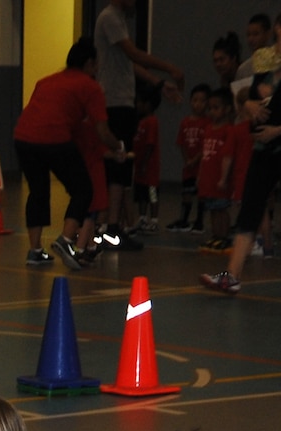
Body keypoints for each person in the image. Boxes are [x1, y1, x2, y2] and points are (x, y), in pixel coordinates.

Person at [200, 7, 281, 297]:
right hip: (263, 147)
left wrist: (278, 130)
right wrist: (249, 106)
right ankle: (232, 275)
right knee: (251, 207)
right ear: (278, 29)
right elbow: (244, 99)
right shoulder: (262, 61)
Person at [13, 39, 122, 268]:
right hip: (53, 138)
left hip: (23, 138)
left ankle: (35, 251)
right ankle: (65, 239)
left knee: (38, 191)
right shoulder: (90, 86)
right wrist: (118, 147)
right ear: (90, 63)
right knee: (83, 189)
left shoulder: (46, 81)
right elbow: (101, 130)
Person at [93, 0, 185, 247]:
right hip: (113, 101)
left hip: (121, 101)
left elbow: (128, 63)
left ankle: (112, 227)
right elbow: (133, 54)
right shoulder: (110, 17)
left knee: (122, 166)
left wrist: (158, 83)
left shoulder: (119, 19)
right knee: (117, 163)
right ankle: (109, 228)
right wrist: (170, 68)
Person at [196, 88, 240, 250]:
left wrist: (224, 178)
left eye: (216, 108)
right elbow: (204, 155)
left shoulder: (229, 130)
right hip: (208, 178)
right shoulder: (208, 129)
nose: (212, 112)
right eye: (210, 108)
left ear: (227, 109)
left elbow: (228, 156)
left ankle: (224, 236)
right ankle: (215, 235)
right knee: (212, 209)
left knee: (221, 209)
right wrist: (200, 174)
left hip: (220, 179)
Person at [172, 83, 212, 231]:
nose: (198, 104)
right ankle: (184, 219)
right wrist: (187, 160)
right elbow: (181, 143)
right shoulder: (185, 122)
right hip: (189, 166)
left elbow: (205, 146)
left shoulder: (208, 123)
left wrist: (195, 160)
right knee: (187, 192)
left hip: (201, 167)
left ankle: (199, 221)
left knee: (201, 194)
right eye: (195, 100)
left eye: (202, 101)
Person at [131, 85, 165, 233]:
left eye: (139, 102)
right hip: (139, 167)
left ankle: (154, 220)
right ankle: (143, 218)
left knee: (152, 194)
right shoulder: (140, 121)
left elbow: (150, 144)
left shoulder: (151, 121)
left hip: (149, 168)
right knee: (141, 194)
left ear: (148, 104)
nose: (137, 105)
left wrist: (144, 162)